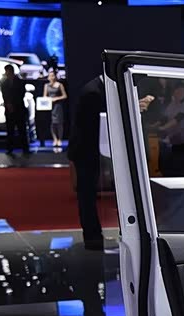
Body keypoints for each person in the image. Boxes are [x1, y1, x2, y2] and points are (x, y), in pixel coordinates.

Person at [68, 76, 106, 249]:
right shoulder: (93, 93)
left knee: (87, 196)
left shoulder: (94, 89)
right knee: (87, 196)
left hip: (86, 150)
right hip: (86, 151)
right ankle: (92, 237)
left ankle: (93, 236)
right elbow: (91, 128)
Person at [1, 64, 30, 155]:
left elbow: (21, 94)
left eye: (8, 71)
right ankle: (10, 148)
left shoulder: (20, 82)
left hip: (19, 109)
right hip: (9, 110)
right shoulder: (4, 83)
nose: (6, 73)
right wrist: (8, 105)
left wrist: (13, 104)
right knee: (10, 130)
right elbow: (4, 96)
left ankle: (25, 148)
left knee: (22, 130)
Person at [43, 70, 67, 149]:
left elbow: (64, 96)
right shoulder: (46, 85)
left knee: (59, 123)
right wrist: (48, 99)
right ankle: (55, 139)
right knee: (52, 124)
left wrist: (56, 98)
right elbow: (44, 96)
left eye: (53, 76)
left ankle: (60, 139)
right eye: (50, 76)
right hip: (49, 106)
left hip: (58, 106)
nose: (51, 77)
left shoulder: (59, 85)